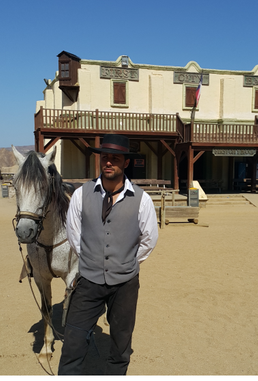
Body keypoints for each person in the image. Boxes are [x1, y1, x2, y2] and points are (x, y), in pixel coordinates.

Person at [59, 134, 158, 375]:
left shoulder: (142, 199)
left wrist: (126, 262)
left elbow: (149, 239)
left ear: (125, 162)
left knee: (121, 343)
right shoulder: (82, 194)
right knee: (73, 341)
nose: (109, 162)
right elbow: (74, 234)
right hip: (88, 281)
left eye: (115, 158)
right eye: (105, 157)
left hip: (124, 285)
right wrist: (93, 259)